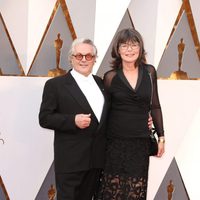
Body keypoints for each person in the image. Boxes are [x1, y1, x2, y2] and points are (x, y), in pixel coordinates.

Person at [94, 28, 165, 200]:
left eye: (134, 44)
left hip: (140, 143)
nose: (129, 49)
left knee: (136, 192)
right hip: (115, 143)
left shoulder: (149, 72)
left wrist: (161, 136)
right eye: (124, 45)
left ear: (140, 48)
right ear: (117, 50)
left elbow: (155, 105)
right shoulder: (110, 77)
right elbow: (104, 111)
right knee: (112, 191)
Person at [39, 38, 109, 200]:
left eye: (88, 56)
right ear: (71, 58)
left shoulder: (102, 83)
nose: (84, 60)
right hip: (71, 161)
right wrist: (72, 121)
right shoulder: (55, 85)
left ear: (94, 59)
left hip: (97, 161)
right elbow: (45, 118)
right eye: (79, 55)